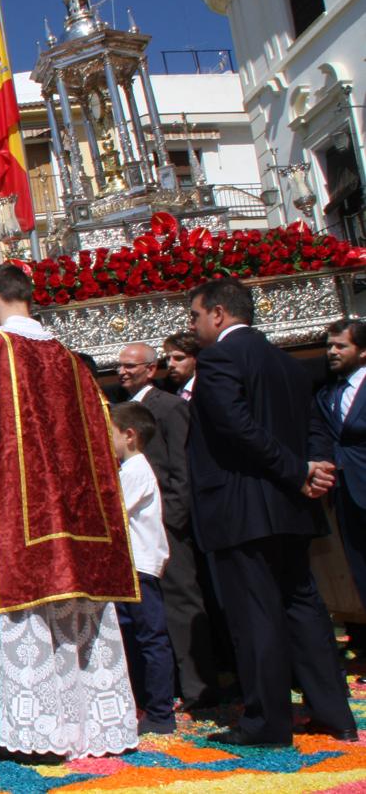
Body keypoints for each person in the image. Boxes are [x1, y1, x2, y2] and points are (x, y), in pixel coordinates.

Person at [0, 264, 140, 760]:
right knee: (80, 620)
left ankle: (33, 732)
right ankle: (95, 724)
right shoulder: (74, 363)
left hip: (12, 508)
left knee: (23, 619)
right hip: (78, 515)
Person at [187, 278, 356, 745]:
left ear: (218, 314)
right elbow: (315, 424)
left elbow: (234, 425)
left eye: (196, 316)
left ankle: (267, 723)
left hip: (245, 509)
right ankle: (335, 713)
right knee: (304, 609)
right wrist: (314, 467)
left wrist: (299, 468)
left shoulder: (220, 358)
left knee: (256, 616)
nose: (194, 326)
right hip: (289, 507)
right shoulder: (286, 361)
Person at [116, 342, 220, 710]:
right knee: (149, 615)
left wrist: (171, 518)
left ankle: (198, 688)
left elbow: (181, 469)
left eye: (131, 366)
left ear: (151, 368)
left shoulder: (170, 407)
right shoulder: (121, 410)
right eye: (120, 366)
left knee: (180, 602)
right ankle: (164, 686)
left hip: (164, 522)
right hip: (138, 527)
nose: (123, 371)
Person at [110, 402, 177, 735]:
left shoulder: (137, 469)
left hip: (140, 564)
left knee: (151, 636)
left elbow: (115, 511)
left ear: (130, 435)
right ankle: (143, 703)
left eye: (111, 433)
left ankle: (161, 711)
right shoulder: (127, 469)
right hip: (129, 565)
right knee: (133, 636)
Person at [310, 320, 366, 641]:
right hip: (347, 494)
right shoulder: (327, 395)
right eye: (329, 345)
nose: (332, 352)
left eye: (341, 346)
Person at [162, 332, 199, 401]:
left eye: (179, 358)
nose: (170, 364)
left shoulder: (208, 390)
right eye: (168, 359)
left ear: (196, 359)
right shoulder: (171, 392)